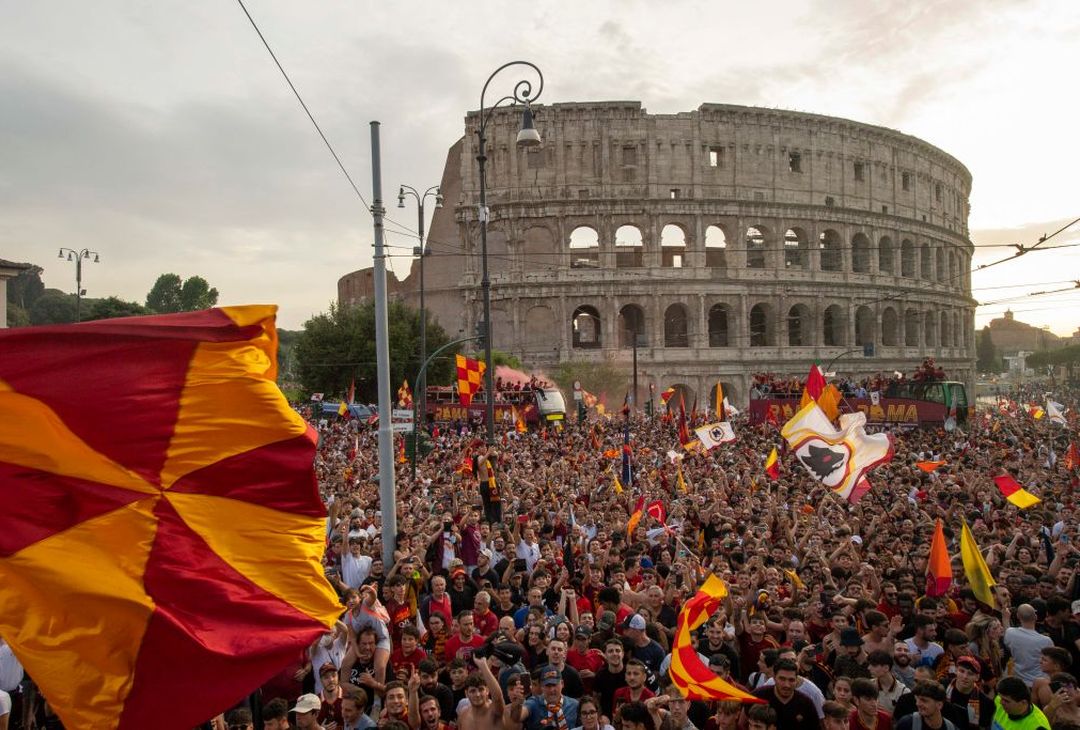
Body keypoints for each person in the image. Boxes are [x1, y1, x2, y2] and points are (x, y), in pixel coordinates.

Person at [752, 659, 819, 730]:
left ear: (796, 680)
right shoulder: (759, 695)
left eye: (791, 680)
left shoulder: (806, 703)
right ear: (774, 678)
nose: (787, 685)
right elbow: (742, 723)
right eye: (782, 679)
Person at [512, 666, 581, 730]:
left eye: (554, 685)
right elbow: (517, 718)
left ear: (562, 684)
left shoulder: (574, 705)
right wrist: (518, 702)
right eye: (548, 685)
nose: (551, 690)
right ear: (542, 686)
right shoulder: (534, 703)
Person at [1003, 605, 1054, 688]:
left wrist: (1005, 618)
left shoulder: (1010, 633)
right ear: (1036, 617)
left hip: (1019, 683)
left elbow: (1006, 633)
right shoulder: (1046, 641)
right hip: (1040, 684)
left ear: (1018, 616)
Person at [942, 656, 993, 730]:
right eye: (962, 671)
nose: (965, 676)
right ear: (956, 671)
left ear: (977, 677)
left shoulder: (986, 703)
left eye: (970, 673)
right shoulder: (943, 686)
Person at [457, 656, 506, 730]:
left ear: (487, 691)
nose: (477, 694)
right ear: (466, 694)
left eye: (481, 690)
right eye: (473, 691)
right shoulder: (463, 716)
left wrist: (484, 666)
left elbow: (498, 697)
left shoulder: (495, 712)